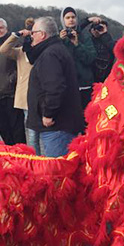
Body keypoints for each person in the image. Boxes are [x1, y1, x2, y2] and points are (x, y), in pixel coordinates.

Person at [27, 16, 84, 157]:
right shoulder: (55, 50)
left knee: (58, 170)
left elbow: (55, 88)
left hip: (57, 126)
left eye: (33, 33)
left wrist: (48, 113)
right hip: (62, 124)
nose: (31, 36)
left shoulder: (50, 54)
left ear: (42, 34)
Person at [0, 25, 41, 154]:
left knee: (46, 134)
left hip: (42, 95)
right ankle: (36, 159)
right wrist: (16, 35)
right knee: (32, 134)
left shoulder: (43, 50)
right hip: (27, 97)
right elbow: (4, 49)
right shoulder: (20, 52)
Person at [0, 18, 26, 145]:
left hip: (12, 94)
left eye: (0, 28)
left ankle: (22, 157)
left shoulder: (15, 44)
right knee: (4, 130)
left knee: (17, 131)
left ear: (6, 29)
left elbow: (21, 67)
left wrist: (11, 80)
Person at [59, 7, 96, 110]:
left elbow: (91, 58)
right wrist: (60, 41)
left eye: (73, 17)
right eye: (67, 17)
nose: (71, 19)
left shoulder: (84, 36)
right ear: (63, 20)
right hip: (66, 85)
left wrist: (77, 44)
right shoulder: (59, 38)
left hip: (85, 85)